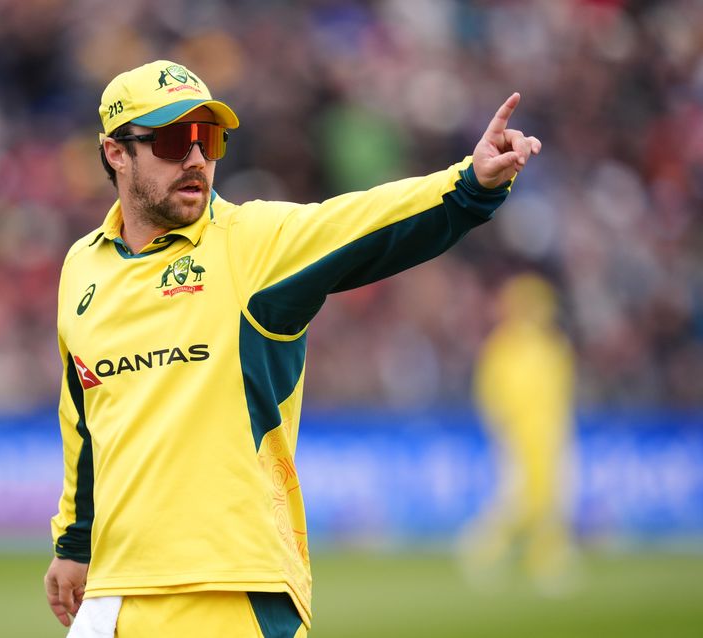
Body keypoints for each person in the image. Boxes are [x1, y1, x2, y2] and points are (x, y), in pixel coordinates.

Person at [43, 59, 541, 637]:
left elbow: (367, 224)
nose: (197, 158)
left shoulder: (252, 244)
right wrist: (76, 542)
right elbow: (81, 412)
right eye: (175, 140)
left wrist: (470, 185)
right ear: (115, 153)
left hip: (234, 589)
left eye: (208, 140)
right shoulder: (82, 267)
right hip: (111, 597)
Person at [458, 273, 577, 593]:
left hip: (549, 436)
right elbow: (492, 395)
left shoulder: (550, 346)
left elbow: (560, 394)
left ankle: (548, 561)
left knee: (551, 499)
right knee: (520, 500)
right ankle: (482, 549)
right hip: (519, 438)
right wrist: (504, 430)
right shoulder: (505, 347)